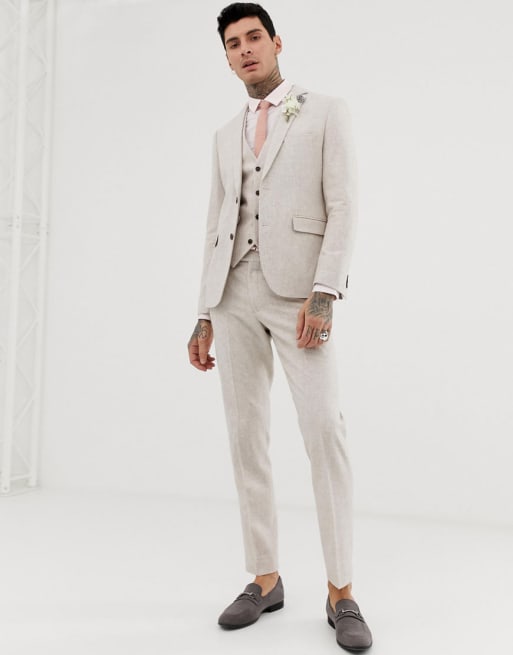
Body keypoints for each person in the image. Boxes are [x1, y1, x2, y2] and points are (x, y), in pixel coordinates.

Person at [187, 3, 372, 651]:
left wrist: (325, 292)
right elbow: (215, 224)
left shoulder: (324, 112)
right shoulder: (223, 135)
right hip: (232, 293)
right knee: (247, 437)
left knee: (323, 431)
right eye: (232, 43)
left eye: (253, 37)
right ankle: (264, 577)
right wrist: (203, 312)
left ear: (275, 42)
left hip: (299, 295)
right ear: (226, 57)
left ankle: (341, 589)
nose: (244, 49)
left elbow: (343, 205)